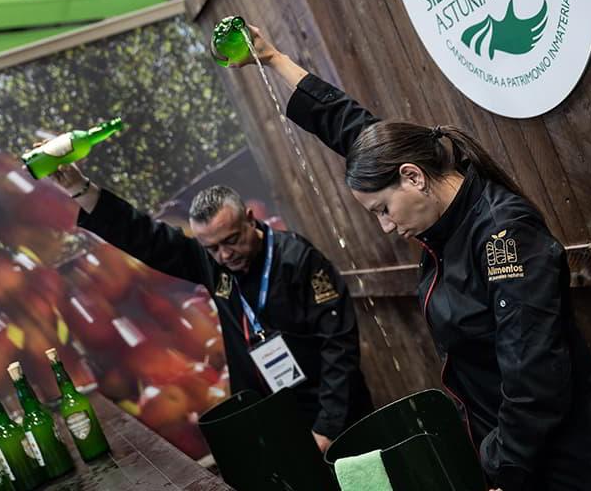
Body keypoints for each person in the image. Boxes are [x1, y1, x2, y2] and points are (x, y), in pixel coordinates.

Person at [227, 26, 591, 491]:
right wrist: (272, 58)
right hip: (517, 455)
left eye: (383, 210)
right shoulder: (421, 182)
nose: (386, 225)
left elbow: (534, 382)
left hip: (574, 464)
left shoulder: (502, 234)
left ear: (413, 177)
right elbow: (352, 128)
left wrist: (498, 469)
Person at [43, 163, 373, 453]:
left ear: (249, 219)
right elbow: (147, 237)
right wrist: (80, 189)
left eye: (231, 240)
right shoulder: (212, 263)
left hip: (331, 413)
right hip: (274, 417)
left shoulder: (299, 260)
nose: (225, 256)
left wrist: (328, 427)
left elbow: (338, 346)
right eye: (212, 248)